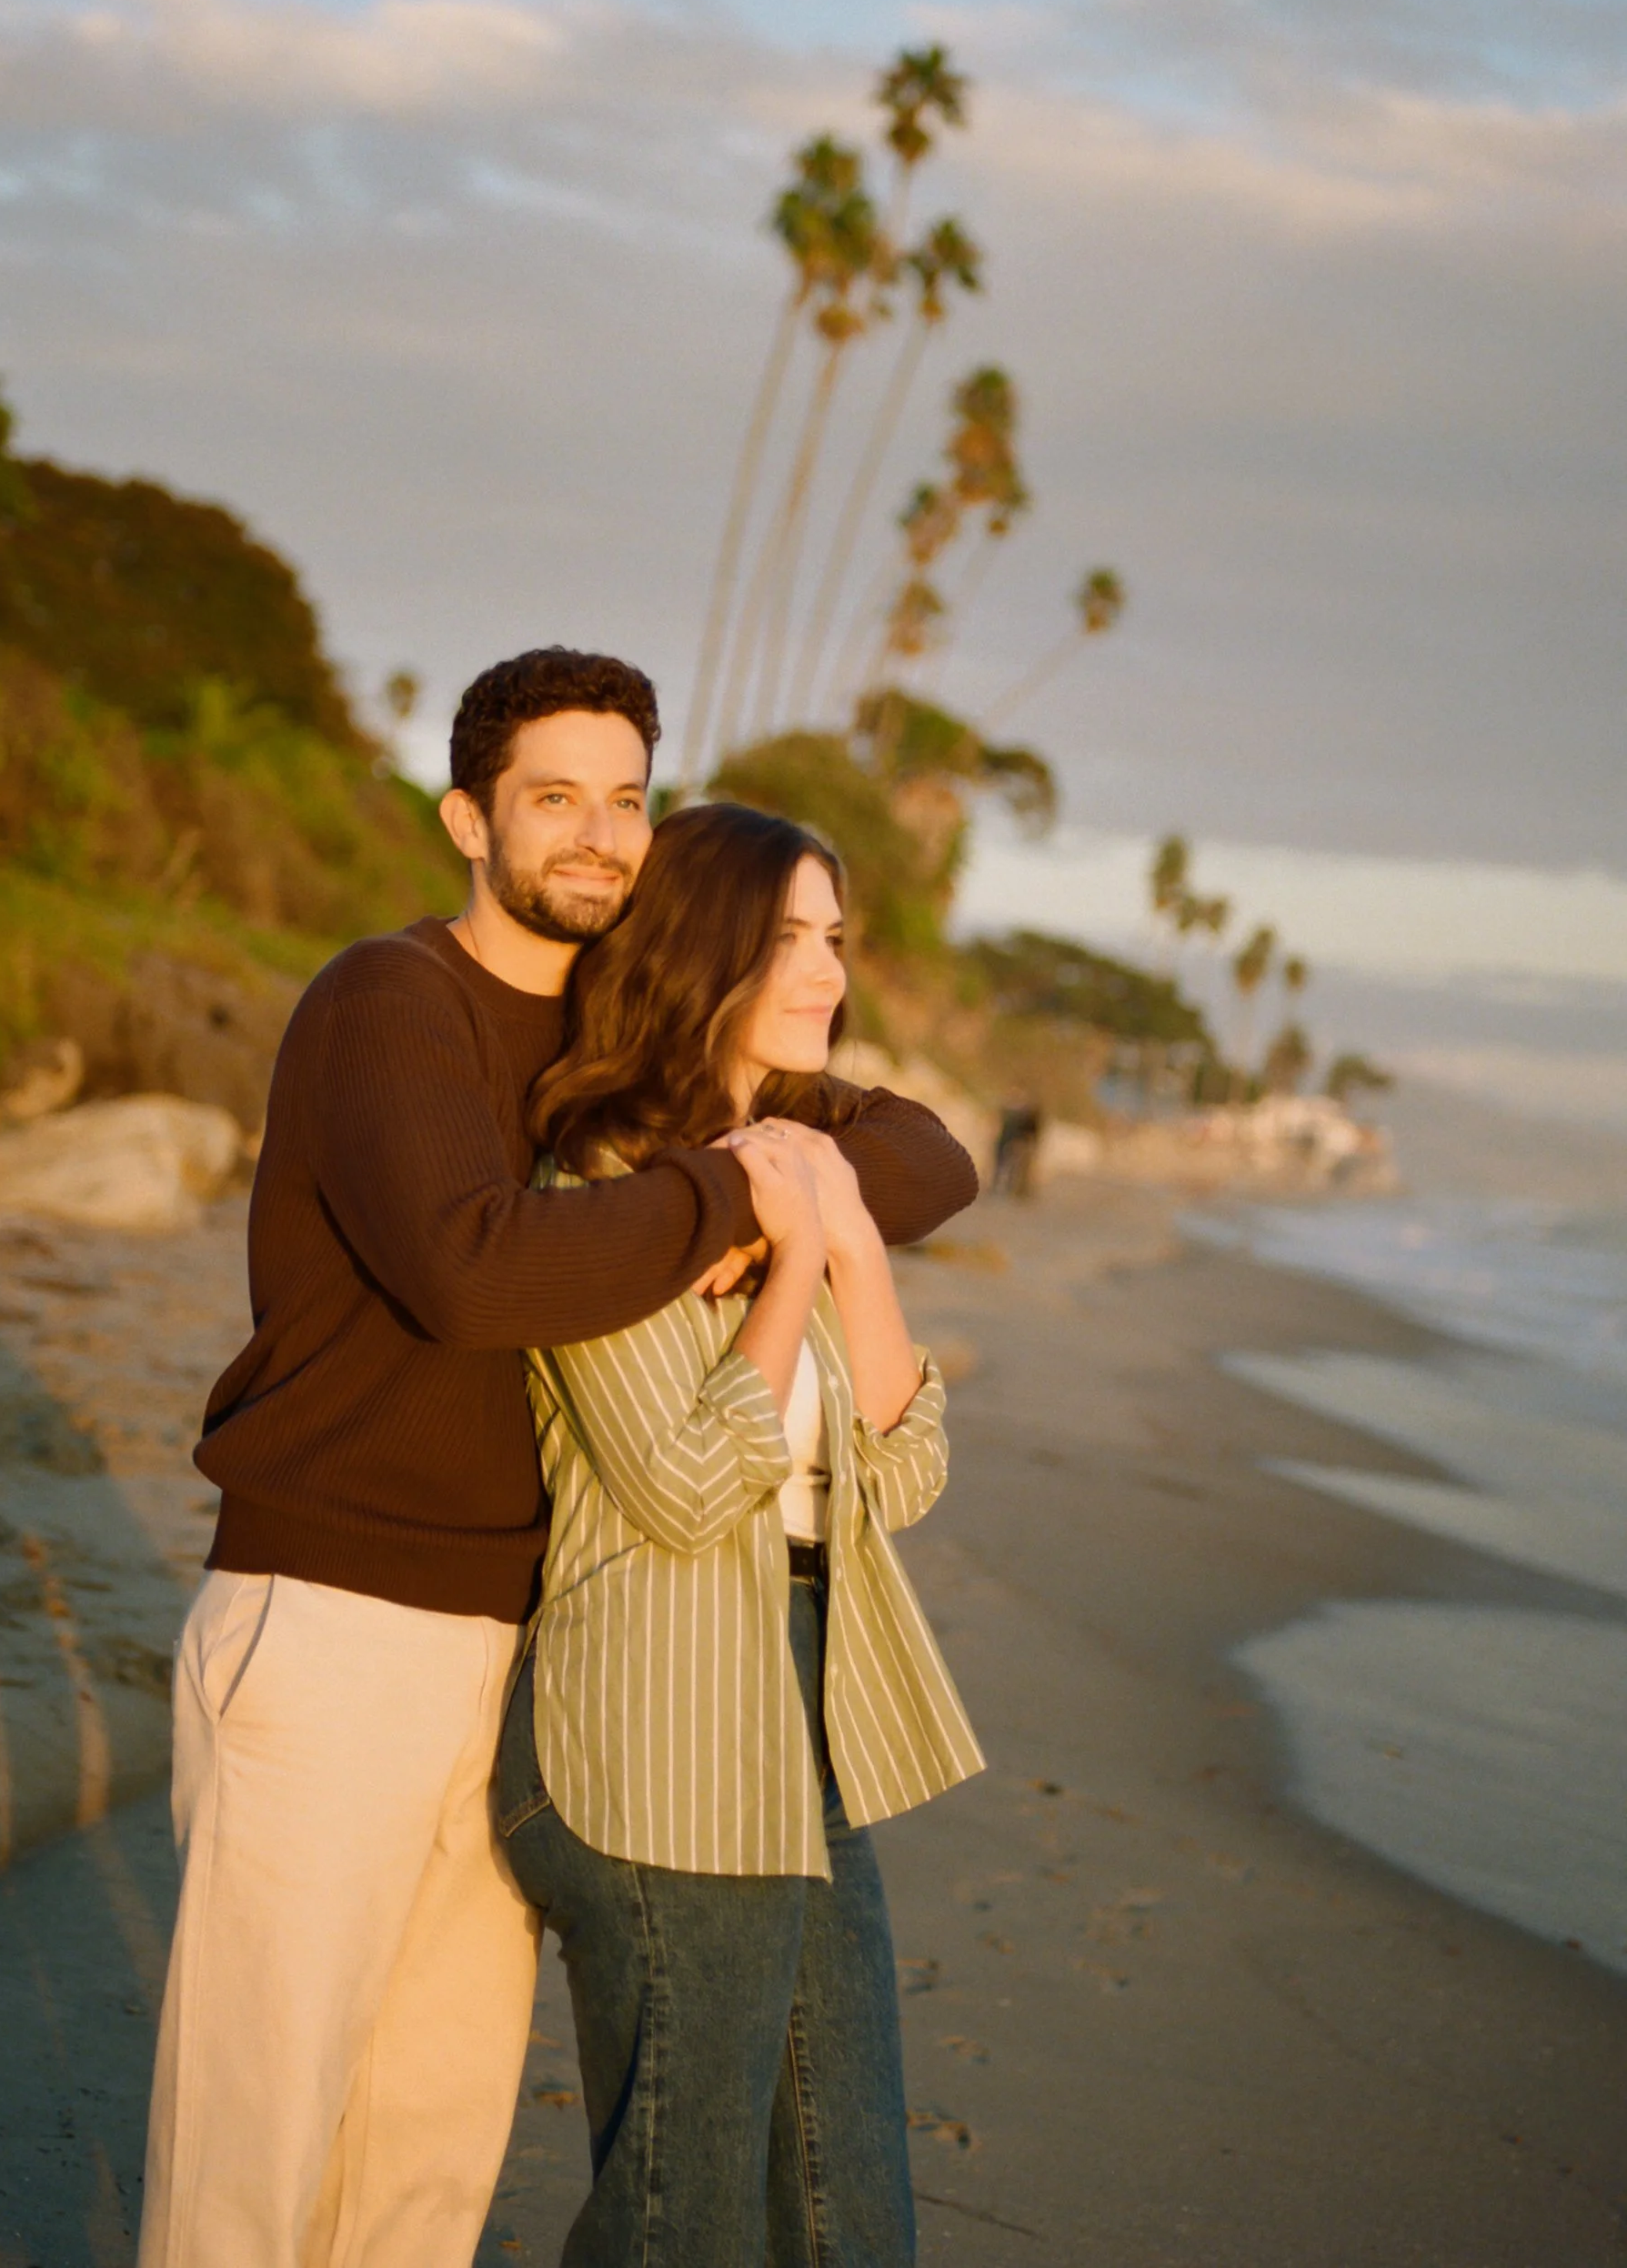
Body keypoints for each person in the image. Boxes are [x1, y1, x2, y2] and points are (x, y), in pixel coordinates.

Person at [136, 650, 978, 2268]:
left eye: (623, 800)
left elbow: (924, 1154)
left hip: (536, 1650)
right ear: (468, 818)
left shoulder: (627, 1036)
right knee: (260, 2133)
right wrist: (742, 1200)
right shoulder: (391, 999)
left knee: (428, 2150)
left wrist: (795, 1177)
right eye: (552, 801)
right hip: (340, 1617)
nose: (596, 836)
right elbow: (475, 1275)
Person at [495, 800, 985, 2266]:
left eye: (837, 937)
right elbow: (689, 1489)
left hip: (802, 1702)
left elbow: (903, 1475)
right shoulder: (596, 1192)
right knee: (683, 2209)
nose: (827, 968)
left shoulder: (788, 1160)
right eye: (788, 938)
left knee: (847, 2200)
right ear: (706, 952)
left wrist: (844, 1241)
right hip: (653, 1717)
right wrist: (783, 1271)